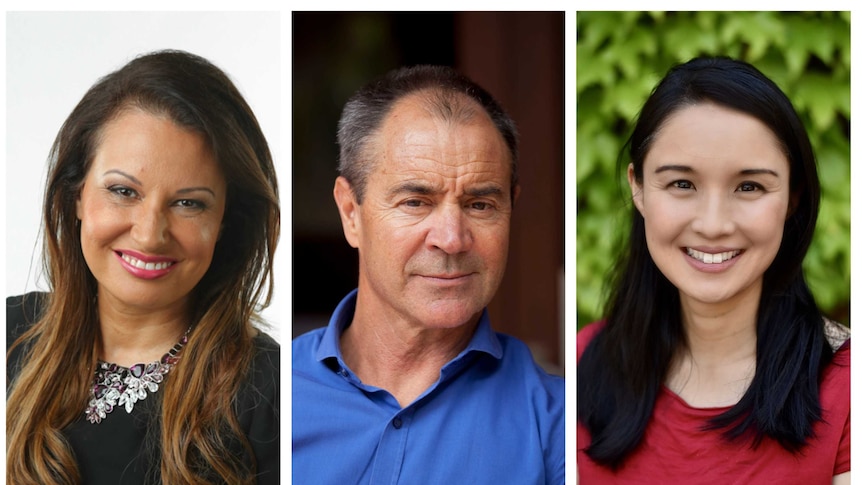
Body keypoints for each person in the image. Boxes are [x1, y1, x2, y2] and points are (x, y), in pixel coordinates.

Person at [6, 50, 280, 485]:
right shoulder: (11, 332)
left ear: (226, 220)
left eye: (189, 203)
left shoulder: (271, 392)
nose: (151, 234)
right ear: (75, 194)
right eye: (123, 191)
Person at [577, 56, 850, 484]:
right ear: (639, 189)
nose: (713, 224)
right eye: (682, 184)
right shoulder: (582, 366)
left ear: (792, 198)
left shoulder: (846, 388)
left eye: (749, 186)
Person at [292, 65, 565, 484]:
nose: (452, 239)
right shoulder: (270, 395)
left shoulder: (558, 426)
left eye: (480, 205)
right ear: (351, 213)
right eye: (416, 202)